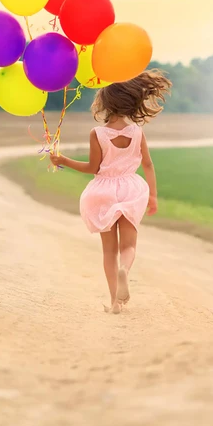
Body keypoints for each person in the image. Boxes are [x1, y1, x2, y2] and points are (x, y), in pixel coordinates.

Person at [50, 70, 172, 313]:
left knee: (109, 251)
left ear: (105, 104)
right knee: (129, 246)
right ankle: (125, 270)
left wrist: (63, 160)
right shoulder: (137, 132)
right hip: (131, 190)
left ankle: (115, 302)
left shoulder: (98, 134)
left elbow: (92, 168)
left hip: (104, 192)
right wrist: (153, 195)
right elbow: (148, 164)